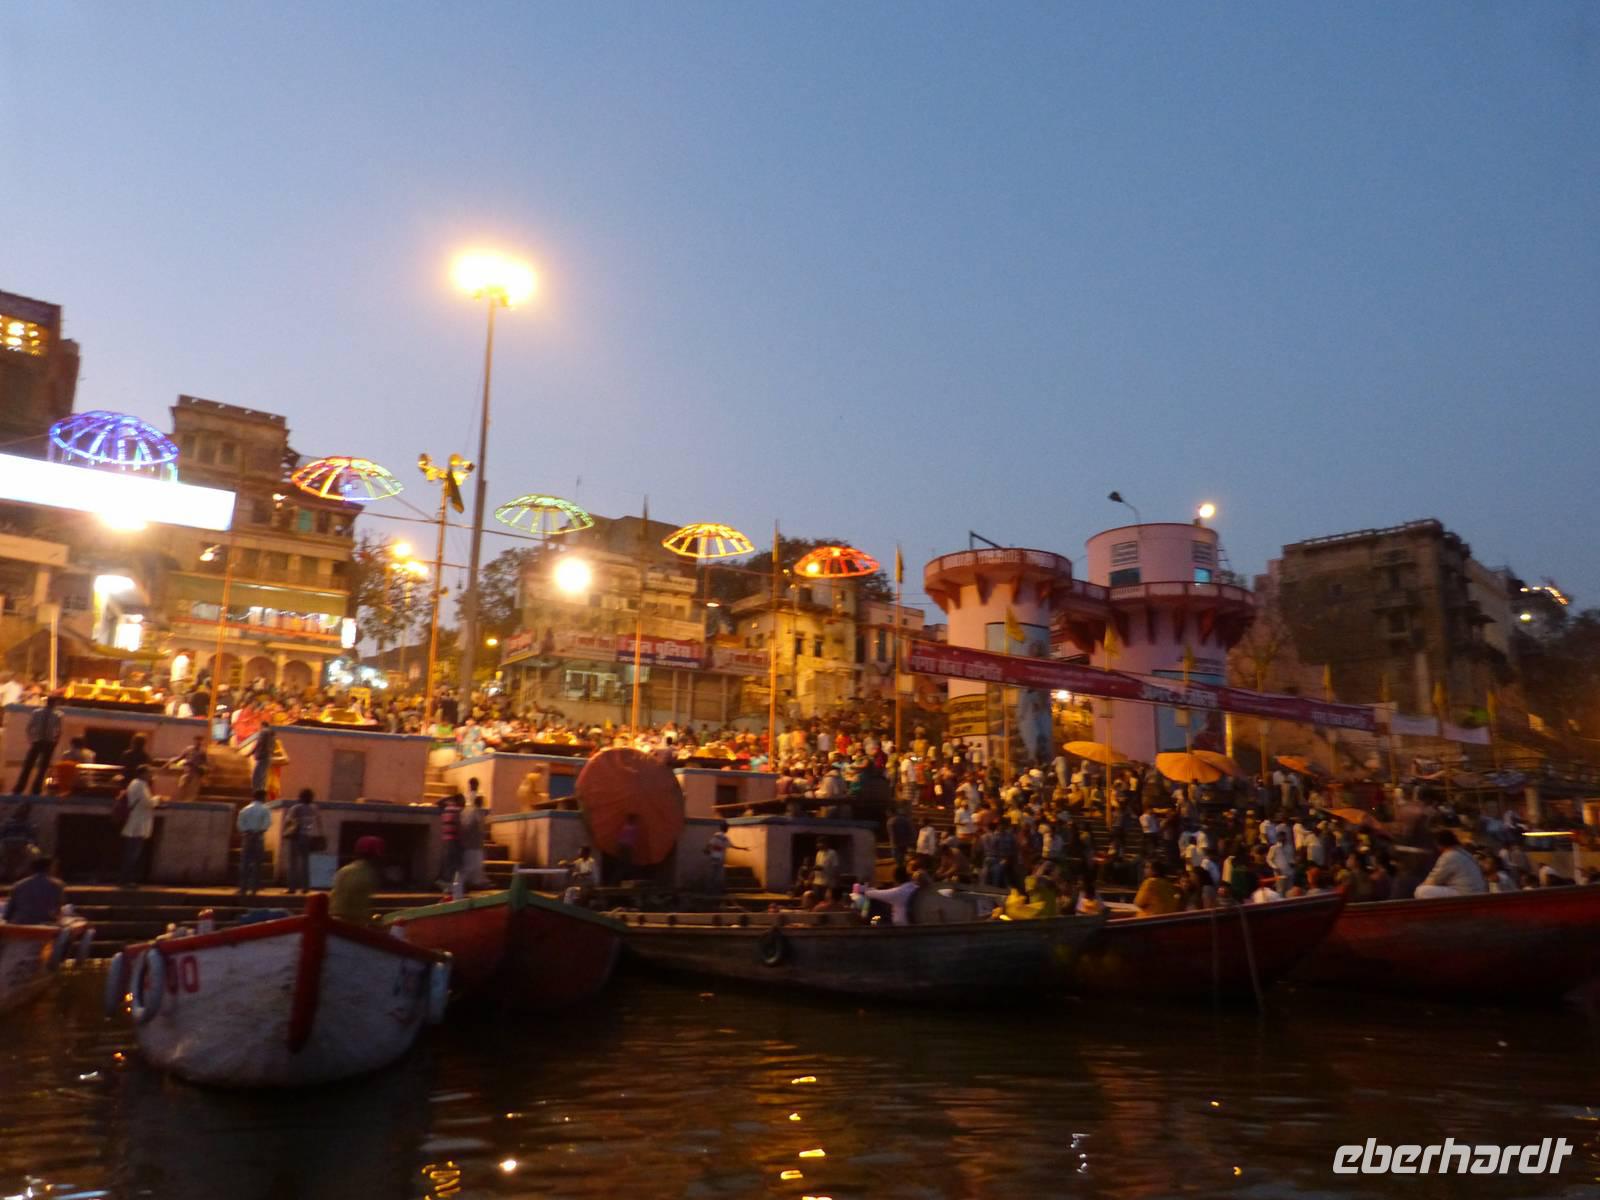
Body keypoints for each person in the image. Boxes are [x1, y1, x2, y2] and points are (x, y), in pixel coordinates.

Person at [1415, 830, 1488, 899]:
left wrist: (1423, 884)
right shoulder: (1464, 852)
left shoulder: (1449, 856)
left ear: (1439, 844)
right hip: (1477, 893)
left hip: (1466, 895)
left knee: (1420, 891)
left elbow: (1434, 879)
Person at [13, 694, 63, 795]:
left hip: (38, 741)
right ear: (55, 703)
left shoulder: (37, 712)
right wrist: (55, 742)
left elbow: (29, 728)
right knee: (42, 768)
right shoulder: (57, 715)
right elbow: (58, 731)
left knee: (28, 766)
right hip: (48, 743)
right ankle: (36, 789)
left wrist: (31, 739)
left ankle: (19, 788)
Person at [330, 835, 385, 923]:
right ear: (375, 856)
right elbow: (359, 907)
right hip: (353, 923)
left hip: (334, 919)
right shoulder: (369, 874)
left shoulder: (344, 870)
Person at [119, 765, 156, 887]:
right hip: (137, 824)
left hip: (136, 823)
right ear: (143, 773)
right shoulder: (140, 785)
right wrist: (158, 799)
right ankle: (126, 879)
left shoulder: (135, 783)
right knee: (133, 853)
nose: (151, 775)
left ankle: (126, 878)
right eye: (149, 773)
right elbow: (147, 803)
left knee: (130, 852)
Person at [3, 855, 64, 925]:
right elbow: (57, 911)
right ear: (49, 868)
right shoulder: (56, 885)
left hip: (19, 923)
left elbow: (8, 913)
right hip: (43, 925)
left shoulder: (18, 885)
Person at [282, 788, 320, 893]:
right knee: (305, 863)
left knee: (293, 863)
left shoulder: (296, 808)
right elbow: (317, 821)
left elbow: (288, 821)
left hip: (296, 836)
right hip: (307, 836)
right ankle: (305, 888)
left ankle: (292, 888)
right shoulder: (314, 808)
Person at [235, 788, 272, 897]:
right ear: (262, 797)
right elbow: (267, 823)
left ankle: (243, 888)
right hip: (259, 837)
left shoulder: (245, 809)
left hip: (247, 837)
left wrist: (247, 831)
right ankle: (254, 889)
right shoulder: (265, 809)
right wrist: (259, 831)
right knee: (257, 864)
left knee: (245, 863)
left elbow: (240, 824)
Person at [703, 821, 746, 895]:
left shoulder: (716, 835)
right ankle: (714, 890)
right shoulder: (725, 838)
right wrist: (743, 848)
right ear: (725, 828)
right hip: (720, 857)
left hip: (713, 856)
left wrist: (707, 849)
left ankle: (709, 889)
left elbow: (710, 843)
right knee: (717, 874)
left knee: (712, 873)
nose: (728, 829)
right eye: (727, 827)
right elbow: (732, 846)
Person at [0, 802, 36, 883]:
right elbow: (31, 836)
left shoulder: (8, 821)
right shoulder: (27, 823)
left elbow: (2, 834)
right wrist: (33, 846)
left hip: (10, 845)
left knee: (9, 861)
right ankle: (16, 876)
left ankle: (10, 876)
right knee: (34, 856)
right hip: (19, 845)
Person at [459, 790, 488, 889]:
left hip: (476, 844)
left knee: (476, 866)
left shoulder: (477, 812)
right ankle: (460, 885)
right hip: (471, 844)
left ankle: (475, 883)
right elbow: (467, 826)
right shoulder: (471, 812)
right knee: (469, 866)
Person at [435, 792, 464, 886]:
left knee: (446, 861)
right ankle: (449, 882)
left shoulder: (447, 808)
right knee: (453, 862)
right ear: (459, 801)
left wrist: (450, 797)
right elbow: (459, 825)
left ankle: (444, 881)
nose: (464, 803)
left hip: (445, 838)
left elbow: (438, 802)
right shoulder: (458, 810)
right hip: (454, 839)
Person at [170, 734, 209, 803]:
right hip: (187, 771)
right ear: (194, 741)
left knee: (193, 789)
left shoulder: (202, 752)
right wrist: (173, 760)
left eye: (200, 741)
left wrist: (201, 768)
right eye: (197, 740)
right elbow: (181, 757)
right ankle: (180, 800)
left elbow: (205, 763)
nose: (198, 742)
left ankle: (189, 802)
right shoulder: (188, 749)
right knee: (182, 786)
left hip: (196, 772)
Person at [250, 721, 277, 794]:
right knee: (263, 775)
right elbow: (273, 746)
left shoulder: (263, 732)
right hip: (268, 756)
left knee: (257, 775)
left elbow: (259, 743)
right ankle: (262, 792)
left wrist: (251, 752)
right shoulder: (273, 734)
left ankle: (256, 792)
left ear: (262, 725)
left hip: (262, 756)